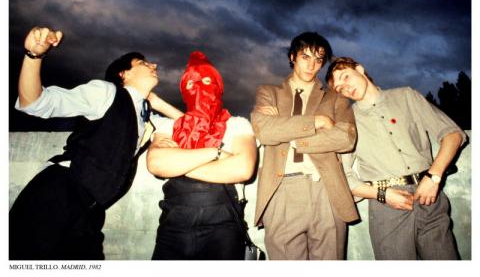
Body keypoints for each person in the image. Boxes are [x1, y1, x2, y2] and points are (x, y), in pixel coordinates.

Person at [9, 26, 182, 260]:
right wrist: (34, 56)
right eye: (143, 63)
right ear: (124, 74)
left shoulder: (147, 118)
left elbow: (188, 125)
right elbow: (34, 102)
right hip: (58, 195)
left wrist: (158, 103)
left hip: (90, 211)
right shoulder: (106, 92)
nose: (154, 66)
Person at [326, 56, 466, 260]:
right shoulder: (347, 123)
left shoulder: (406, 96)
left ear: (360, 69)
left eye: (345, 77)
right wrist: (383, 195)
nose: (345, 88)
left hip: (430, 197)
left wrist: (433, 177)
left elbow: (453, 134)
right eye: (339, 88)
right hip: (387, 207)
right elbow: (343, 178)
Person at [251, 32, 359, 260]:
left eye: (318, 60)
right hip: (282, 190)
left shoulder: (335, 98)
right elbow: (265, 131)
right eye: (305, 57)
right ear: (292, 57)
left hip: (327, 191)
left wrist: (290, 135)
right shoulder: (268, 92)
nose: (312, 66)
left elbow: (346, 138)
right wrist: (316, 122)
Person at [147, 51, 257, 260]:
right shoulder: (170, 126)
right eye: (190, 84)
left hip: (224, 226)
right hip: (173, 225)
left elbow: (242, 169)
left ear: (218, 86)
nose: (198, 88)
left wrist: (180, 160)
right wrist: (215, 153)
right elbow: (156, 164)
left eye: (206, 80)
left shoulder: (237, 124)